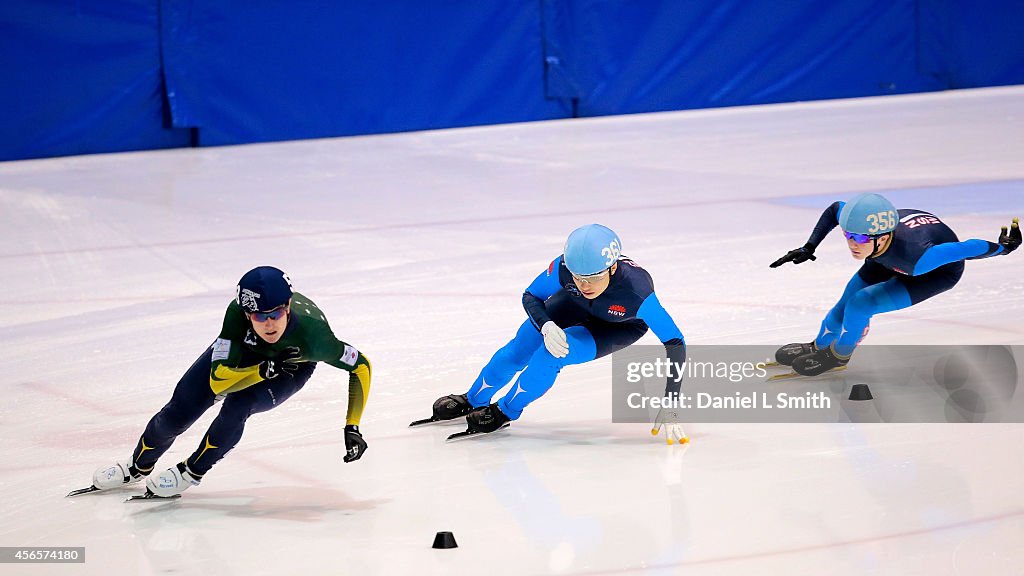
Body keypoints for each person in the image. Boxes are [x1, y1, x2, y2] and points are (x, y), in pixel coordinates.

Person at [83, 266, 372, 497]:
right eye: (260, 316)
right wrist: (261, 370)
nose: (269, 323)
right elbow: (219, 381)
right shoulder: (235, 316)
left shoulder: (316, 339)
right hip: (246, 354)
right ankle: (137, 467)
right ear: (247, 314)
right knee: (177, 413)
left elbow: (361, 366)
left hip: (291, 366)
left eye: (276, 313)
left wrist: (352, 425)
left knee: (239, 405)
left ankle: (191, 471)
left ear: (287, 306)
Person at [430, 224, 689, 443]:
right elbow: (531, 295)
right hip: (573, 304)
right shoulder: (564, 267)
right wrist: (546, 324)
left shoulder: (637, 292)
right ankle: (474, 398)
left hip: (616, 325)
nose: (585, 285)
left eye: (594, 277)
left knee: (551, 354)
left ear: (612, 268)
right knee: (522, 345)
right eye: (578, 277)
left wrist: (671, 401)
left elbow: (675, 341)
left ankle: (505, 411)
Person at [770, 193, 1019, 376]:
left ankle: (838, 356)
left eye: (860, 238)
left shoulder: (919, 259)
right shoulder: (870, 232)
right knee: (842, 306)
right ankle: (820, 345)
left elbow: (968, 248)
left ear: (883, 236)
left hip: (933, 273)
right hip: (885, 258)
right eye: (848, 235)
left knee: (859, 305)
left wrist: (1003, 249)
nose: (852, 243)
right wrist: (809, 246)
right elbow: (836, 209)